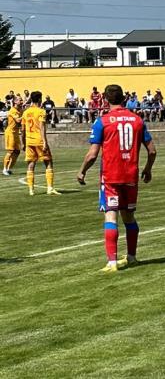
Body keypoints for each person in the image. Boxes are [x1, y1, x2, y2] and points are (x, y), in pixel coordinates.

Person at [77, 84, 157, 273]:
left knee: (111, 215)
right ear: (124, 98)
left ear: (105, 99)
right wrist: (147, 169)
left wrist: (82, 171)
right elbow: (152, 150)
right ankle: (131, 257)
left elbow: (92, 154)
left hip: (111, 177)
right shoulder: (137, 120)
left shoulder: (102, 121)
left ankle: (112, 262)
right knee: (129, 216)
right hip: (131, 176)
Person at [22, 91, 60, 195]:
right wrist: (45, 142)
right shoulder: (41, 111)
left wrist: (23, 143)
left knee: (31, 164)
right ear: (39, 99)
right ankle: (50, 188)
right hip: (39, 140)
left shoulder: (25, 112)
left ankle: (31, 190)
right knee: (48, 162)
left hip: (29, 141)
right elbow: (42, 127)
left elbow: (23, 129)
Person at [3, 97, 23, 176]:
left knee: (17, 152)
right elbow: (18, 120)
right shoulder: (12, 110)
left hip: (16, 133)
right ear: (15, 102)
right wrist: (25, 115)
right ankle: (4, 169)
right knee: (10, 151)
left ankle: (9, 169)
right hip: (10, 133)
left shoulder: (20, 110)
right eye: (20, 100)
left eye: (22, 100)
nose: (22, 101)